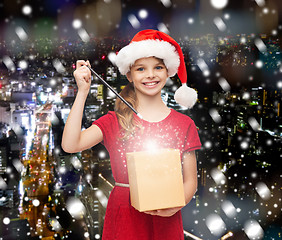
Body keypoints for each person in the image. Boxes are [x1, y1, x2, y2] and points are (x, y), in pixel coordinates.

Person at [62, 29, 201, 240]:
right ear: (130, 75)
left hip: (168, 215)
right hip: (124, 215)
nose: (151, 75)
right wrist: (82, 91)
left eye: (158, 67)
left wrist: (176, 204)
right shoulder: (114, 120)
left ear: (168, 72)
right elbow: (71, 145)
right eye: (141, 69)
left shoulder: (185, 124)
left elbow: (190, 180)